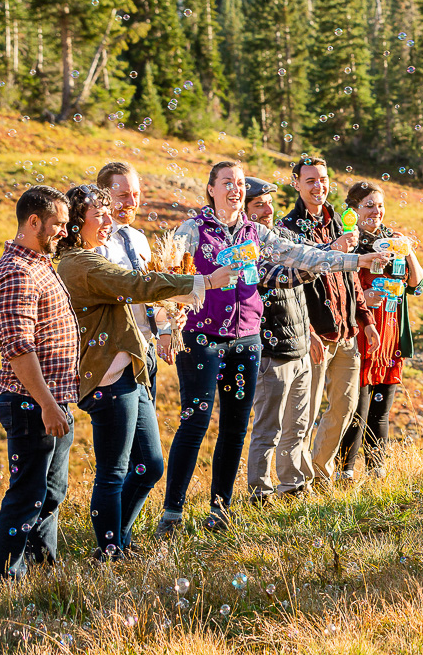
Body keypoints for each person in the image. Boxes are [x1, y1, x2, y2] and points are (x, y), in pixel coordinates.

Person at [156, 161, 388, 537]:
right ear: (211, 188)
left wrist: (354, 260)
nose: (235, 189)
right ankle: (172, 513)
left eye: (241, 183)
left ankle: (220, 509)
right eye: (227, 182)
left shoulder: (256, 233)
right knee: (194, 424)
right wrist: (169, 325)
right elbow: (167, 278)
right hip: (202, 340)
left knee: (234, 429)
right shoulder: (192, 230)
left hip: (247, 340)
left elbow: (303, 255)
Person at [55, 185, 231, 558]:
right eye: (98, 214)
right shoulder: (80, 264)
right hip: (107, 378)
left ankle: (117, 538)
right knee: (113, 472)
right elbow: (135, 285)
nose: (108, 219)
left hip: (128, 371)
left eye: (107, 212)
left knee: (149, 465)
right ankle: (109, 551)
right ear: (75, 222)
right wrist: (206, 281)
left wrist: (168, 317)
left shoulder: (90, 257)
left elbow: (135, 295)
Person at [0, 186, 76, 578]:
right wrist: (46, 405)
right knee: (27, 494)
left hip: (53, 402)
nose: (64, 230)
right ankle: (5, 577)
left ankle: (43, 569)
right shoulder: (16, 272)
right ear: (33, 221)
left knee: (51, 493)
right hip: (30, 403)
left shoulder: (41, 262)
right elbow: (18, 348)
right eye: (58, 224)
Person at [282, 157, 375, 484]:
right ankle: (296, 482)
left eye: (322, 179)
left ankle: (320, 473)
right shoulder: (289, 228)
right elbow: (290, 283)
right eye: (310, 180)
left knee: (345, 408)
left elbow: (349, 273)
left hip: (347, 332)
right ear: (296, 183)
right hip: (315, 335)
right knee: (302, 417)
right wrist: (306, 331)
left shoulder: (339, 219)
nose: (318, 186)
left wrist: (366, 319)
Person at [337, 181, 423, 479]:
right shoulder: (348, 243)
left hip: (390, 336)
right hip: (361, 334)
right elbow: (338, 289)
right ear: (353, 210)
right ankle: (344, 474)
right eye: (369, 205)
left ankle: (378, 474)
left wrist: (408, 249)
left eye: (380, 205)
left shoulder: (392, 241)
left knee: (381, 413)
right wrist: (365, 296)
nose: (377, 211)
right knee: (356, 413)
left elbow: (418, 285)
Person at [243, 177, 324, 502]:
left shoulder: (284, 238)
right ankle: (259, 494)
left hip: (301, 348)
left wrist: (311, 333)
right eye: (258, 204)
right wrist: (323, 261)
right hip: (271, 351)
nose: (266, 209)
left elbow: (302, 292)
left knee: (298, 427)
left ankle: (293, 487)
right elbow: (287, 278)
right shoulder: (246, 251)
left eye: (268, 203)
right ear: (245, 211)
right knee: (268, 429)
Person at [95, 162, 165, 397]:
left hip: (146, 350)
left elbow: (147, 296)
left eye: (136, 194)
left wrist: (166, 322)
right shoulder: (97, 243)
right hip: (117, 355)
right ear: (104, 197)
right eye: (123, 195)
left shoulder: (138, 238)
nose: (133, 203)